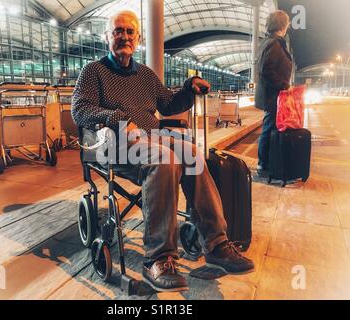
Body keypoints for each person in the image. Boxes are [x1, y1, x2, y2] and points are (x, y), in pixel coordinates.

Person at [71, 10, 254, 292]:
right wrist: (117, 118)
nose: (124, 37)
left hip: (152, 138)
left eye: (130, 32)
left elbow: (168, 104)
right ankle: (158, 257)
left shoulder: (145, 74)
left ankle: (216, 244)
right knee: (165, 158)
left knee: (191, 153)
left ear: (138, 38)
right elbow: (79, 110)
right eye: (118, 31)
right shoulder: (93, 72)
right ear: (107, 37)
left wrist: (188, 89)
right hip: (114, 143)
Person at [255, 10, 293, 176]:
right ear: (283, 26)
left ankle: (267, 162)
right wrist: (284, 85)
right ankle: (263, 165)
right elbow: (266, 71)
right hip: (272, 96)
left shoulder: (269, 42)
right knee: (269, 129)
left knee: (270, 128)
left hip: (272, 95)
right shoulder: (273, 43)